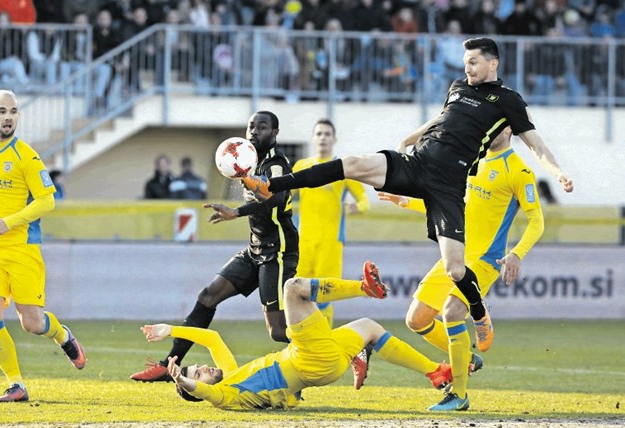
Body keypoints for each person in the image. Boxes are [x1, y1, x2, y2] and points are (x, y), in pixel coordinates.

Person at [243, 37, 573, 360]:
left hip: (448, 184)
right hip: (417, 164)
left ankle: (478, 311)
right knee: (354, 164)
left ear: (492, 63)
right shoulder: (458, 86)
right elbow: (443, 119)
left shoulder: (507, 100)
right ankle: (272, 184)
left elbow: (536, 144)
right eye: (465, 62)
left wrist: (557, 172)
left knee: (456, 269)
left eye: (473, 62)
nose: (467, 68)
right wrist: (411, 136)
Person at [379, 125, 545, 411]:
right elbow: (454, 205)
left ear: (508, 128)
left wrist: (517, 254)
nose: (489, 128)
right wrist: (407, 201)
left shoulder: (519, 170)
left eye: (497, 123)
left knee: (452, 311)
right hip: (456, 253)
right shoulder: (472, 161)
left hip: (485, 259)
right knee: (416, 320)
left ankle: (459, 394)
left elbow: (537, 221)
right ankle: (467, 359)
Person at [139, 261, 453, 409]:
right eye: (200, 375)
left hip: (317, 365)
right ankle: (363, 288)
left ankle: (435, 373)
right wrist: (182, 380)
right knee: (293, 289)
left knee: (370, 327)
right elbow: (203, 391)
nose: (204, 370)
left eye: (199, 367)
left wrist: (171, 330)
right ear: (199, 390)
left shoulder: (231, 374)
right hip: (307, 360)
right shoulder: (225, 396)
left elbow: (214, 339)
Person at [131, 111, 299, 383]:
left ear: (275, 133)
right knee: (208, 296)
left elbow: (277, 199)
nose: (254, 131)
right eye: (251, 126)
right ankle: (167, 366)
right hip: (256, 248)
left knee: (278, 330)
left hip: (278, 250)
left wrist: (237, 212)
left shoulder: (276, 163)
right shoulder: (246, 161)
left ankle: (332, 348)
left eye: (262, 127)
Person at [0, 90, 86, 403]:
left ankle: (62, 335)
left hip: (22, 251)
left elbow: (47, 200)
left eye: (14, 112)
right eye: (2, 111)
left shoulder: (26, 156)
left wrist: (10, 220)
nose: (8, 117)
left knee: (31, 323)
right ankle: (15, 384)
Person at [293, 118, 369, 329]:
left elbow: (364, 200)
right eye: (319, 134)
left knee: (324, 293)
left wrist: (357, 207)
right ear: (312, 138)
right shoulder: (301, 166)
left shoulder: (342, 169)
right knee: (296, 290)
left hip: (331, 241)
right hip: (303, 240)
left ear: (334, 139)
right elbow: (286, 196)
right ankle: (300, 341)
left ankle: (324, 338)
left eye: (327, 134)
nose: (323, 138)